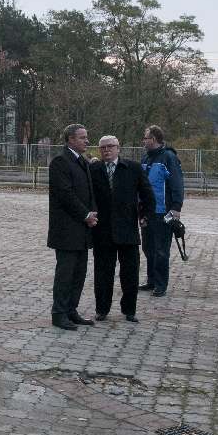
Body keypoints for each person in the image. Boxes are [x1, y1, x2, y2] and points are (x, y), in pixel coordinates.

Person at [90, 135, 155, 323]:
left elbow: (148, 195)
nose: (107, 150)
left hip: (127, 230)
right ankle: (102, 309)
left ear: (118, 148)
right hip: (102, 231)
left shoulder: (133, 168)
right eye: (103, 147)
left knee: (130, 274)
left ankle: (129, 310)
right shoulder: (93, 170)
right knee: (103, 274)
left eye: (110, 146)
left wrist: (145, 216)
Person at [47, 124, 97, 331]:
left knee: (79, 273)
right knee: (65, 274)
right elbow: (65, 194)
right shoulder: (60, 162)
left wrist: (92, 213)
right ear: (70, 139)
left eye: (86, 137)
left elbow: (89, 192)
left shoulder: (82, 161)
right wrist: (86, 215)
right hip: (67, 230)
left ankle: (71, 310)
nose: (87, 141)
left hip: (83, 230)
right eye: (82, 137)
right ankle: (59, 313)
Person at [139, 125, 184, 297]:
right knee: (148, 248)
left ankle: (160, 284)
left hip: (163, 212)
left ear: (153, 139)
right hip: (147, 211)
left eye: (145, 138)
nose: (143, 141)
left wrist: (176, 207)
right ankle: (151, 280)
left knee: (161, 250)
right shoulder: (145, 158)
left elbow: (177, 183)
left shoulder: (168, 157)